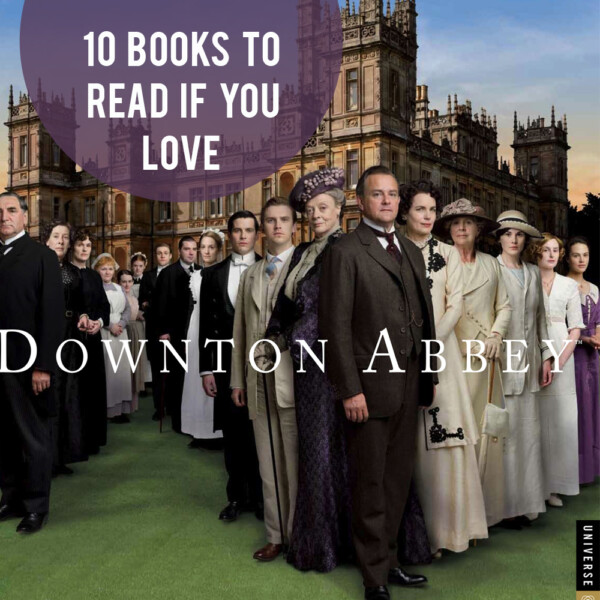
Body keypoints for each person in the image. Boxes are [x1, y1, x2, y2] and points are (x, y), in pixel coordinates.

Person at [319, 166, 435, 600]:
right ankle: (374, 579)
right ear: (361, 200)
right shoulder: (345, 251)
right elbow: (334, 328)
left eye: (392, 195)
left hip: (409, 385)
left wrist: (430, 373)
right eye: (377, 195)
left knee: (397, 481)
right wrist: (349, 389)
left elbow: (425, 319)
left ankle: (390, 561)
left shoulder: (410, 249)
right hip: (367, 389)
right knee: (369, 483)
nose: (387, 201)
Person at [266, 168, 353, 572]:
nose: (316, 215)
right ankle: (318, 543)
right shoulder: (302, 254)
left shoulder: (349, 248)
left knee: (335, 451)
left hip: (335, 364)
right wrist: (272, 338)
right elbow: (285, 305)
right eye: (310, 210)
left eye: (323, 208)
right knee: (314, 452)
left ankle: (338, 545)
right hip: (304, 367)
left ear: (339, 208)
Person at [399, 182, 487, 555]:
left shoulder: (447, 252)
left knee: (445, 441)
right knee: (408, 444)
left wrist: (431, 341)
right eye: (421, 209)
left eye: (432, 211)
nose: (428, 216)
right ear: (405, 213)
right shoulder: (393, 250)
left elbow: (454, 304)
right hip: (397, 353)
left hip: (440, 353)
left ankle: (448, 535)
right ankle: (415, 538)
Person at [435, 198, 510, 528]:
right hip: (452, 357)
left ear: (479, 229)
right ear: (448, 230)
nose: (462, 227)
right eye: (455, 223)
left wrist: (496, 335)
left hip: (486, 359)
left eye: (468, 222)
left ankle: (485, 514)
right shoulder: (438, 262)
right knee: (456, 435)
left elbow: (505, 306)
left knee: (485, 433)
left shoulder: (493, 265)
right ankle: (456, 517)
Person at [231, 198, 297, 562]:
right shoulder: (250, 275)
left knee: (295, 461)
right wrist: (236, 382)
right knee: (267, 463)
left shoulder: (305, 268)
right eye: (269, 221)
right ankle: (275, 535)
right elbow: (239, 331)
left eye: (283, 220)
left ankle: (300, 533)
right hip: (256, 379)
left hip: (293, 380)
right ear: (262, 228)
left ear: (293, 225)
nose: (276, 227)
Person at [0, 191, 64, 534]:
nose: (4, 216)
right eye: (0, 211)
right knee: (4, 436)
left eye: (11, 210)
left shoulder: (41, 256)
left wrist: (43, 366)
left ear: (25, 217)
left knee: (33, 437)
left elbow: (52, 316)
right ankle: (10, 499)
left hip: (28, 365)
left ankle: (36, 507)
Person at [199, 211, 263, 522]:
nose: (242, 236)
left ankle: (264, 501)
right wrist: (206, 369)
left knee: (260, 431)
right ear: (229, 233)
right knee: (233, 432)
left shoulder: (271, 268)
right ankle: (236, 497)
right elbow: (204, 327)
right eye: (237, 230)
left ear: (256, 234)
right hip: (224, 362)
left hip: (264, 363)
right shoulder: (212, 275)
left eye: (248, 230)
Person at [494, 211, 553, 527]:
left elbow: (542, 320)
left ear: (525, 240)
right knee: (504, 437)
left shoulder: (532, 273)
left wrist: (547, 356)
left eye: (519, 234)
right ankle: (502, 509)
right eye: (507, 234)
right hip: (499, 365)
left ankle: (526, 505)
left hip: (530, 365)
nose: (513, 239)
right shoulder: (493, 269)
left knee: (528, 437)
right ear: (499, 238)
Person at [534, 233, 584, 506]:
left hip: (564, 349)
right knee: (537, 421)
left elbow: (575, 327)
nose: (551, 255)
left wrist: (560, 361)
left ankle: (555, 487)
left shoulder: (568, 286)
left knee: (561, 421)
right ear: (536, 252)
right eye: (546, 250)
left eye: (556, 250)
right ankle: (536, 488)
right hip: (532, 349)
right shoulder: (528, 278)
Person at [41, 219, 89, 476]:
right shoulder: (38, 266)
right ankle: (44, 459)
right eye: (56, 236)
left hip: (70, 337)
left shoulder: (74, 271)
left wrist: (82, 316)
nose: (61, 241)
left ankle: (61, 457)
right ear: (47, 240)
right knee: (48, 393)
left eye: (65, 237)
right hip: (47, 336)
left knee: (68, 394)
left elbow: (80, 303)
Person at [181, 230, 225, 448]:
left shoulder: (223, 273)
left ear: (219, 250)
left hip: (215, 328)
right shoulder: (196, 274)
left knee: (215, 374)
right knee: (195, 375)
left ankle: (216, 432)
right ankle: (198, 430)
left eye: (211, 247)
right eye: (203, 247)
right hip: (195, 327)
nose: (206, 251)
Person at [154, 236, 200, 433]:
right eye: (187, 249)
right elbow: (159, 305)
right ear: (179, 251)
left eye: (193, 249)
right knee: (176, 377)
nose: (191, 252)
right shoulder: (167, 273)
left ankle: (194, 419)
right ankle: (178, 422)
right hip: (174, 333)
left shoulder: (201, 272)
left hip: (195, 331)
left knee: (193, 376)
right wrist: (163, 331)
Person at [71, 228, 110, 455]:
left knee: (94, 388)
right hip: (72, 340)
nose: (85, 249)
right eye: (80, 244)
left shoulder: (95, 276)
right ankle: (77, 442)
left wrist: (99, 321)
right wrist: (80, 317)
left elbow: (103, 305)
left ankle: (92, 439)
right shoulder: (64, 273)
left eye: (88, 245)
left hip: (94, 340)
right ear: (72, 248)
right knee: (77, 390)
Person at [566, 236, 600, 485]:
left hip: (593, 357)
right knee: (576, 411)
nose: (581, 260)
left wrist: (597, 337)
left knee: (593, 407)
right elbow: (560, 327)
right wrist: (584, 340)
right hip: (572, 356)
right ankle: (573, 471)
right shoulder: (562, 285)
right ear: (567, 257)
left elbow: (597, 322)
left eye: (585, 255)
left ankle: (591, 466)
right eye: (576, 255)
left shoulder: (595, 289)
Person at [93, 253, 136, 422]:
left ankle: (120, 410)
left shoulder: (118, 288)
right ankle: (107, 410)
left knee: (121, 370)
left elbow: (126, 309)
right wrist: (110, 326)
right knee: (109, 371)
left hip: (121, 332)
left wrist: (122, 324)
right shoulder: (96, 288)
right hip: (105, 331)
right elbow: (95, 311)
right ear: (97, 270)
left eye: (110, 268)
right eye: (103, 269)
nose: (107, 272)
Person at [139, 243, 172, 420]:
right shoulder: (148, 276)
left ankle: (173, 406)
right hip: (153, 331)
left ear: (171, 255)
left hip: (173, 331)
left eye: (165, 253)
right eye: (159, 253)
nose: (162, 256)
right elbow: (142, 302)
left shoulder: (178, 273)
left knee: (174, 370)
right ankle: (158, 408)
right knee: (158, 370)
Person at [118, 269, 148, 402]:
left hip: (137, 331)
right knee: (124, 368)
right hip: (125, 331)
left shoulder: (133, 297)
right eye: (123, 281)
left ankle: (131, 402)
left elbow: (136, 313)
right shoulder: (118, 296)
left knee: (135, 365)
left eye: (129, 281)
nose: (127, 285)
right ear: (118, 282)